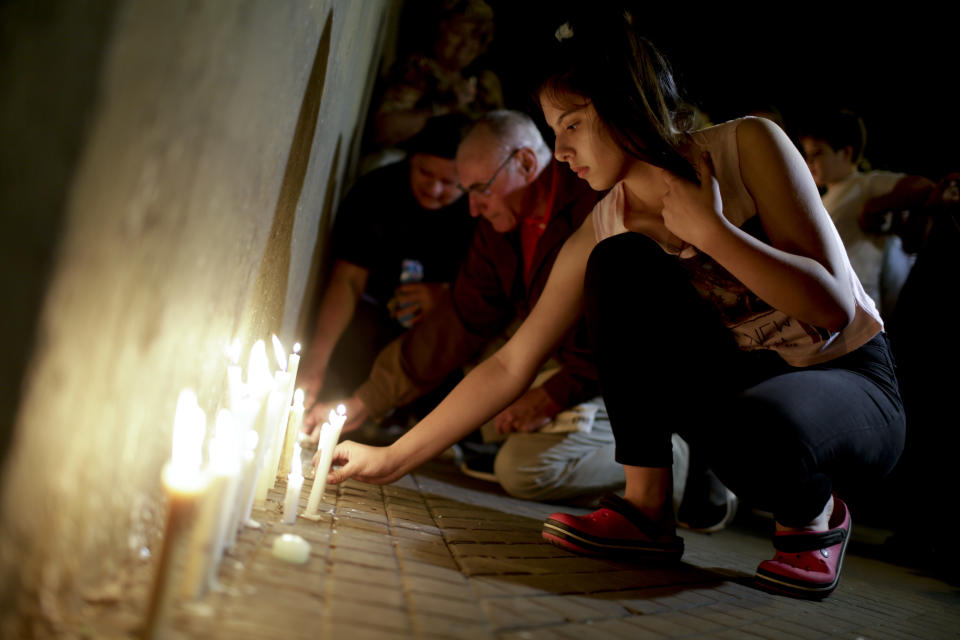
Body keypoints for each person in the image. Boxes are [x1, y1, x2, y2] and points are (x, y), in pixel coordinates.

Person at [321, 9, 904, 600]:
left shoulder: (748, 143)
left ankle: (816, 515)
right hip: (749, 389)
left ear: (624, 102)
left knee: (767, 429)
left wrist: (714, 232)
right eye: (552, 130)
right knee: (618, 263)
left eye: (571, 125)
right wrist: (393, 457)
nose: (562, 150)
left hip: (849, 378)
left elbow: (831, 308)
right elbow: (510, 363)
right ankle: (646, 511)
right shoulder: (609, 220)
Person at [308, 109, 637, 505]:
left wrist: (554, 393)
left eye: (481, 188)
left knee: (522, 469)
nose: (473, 208)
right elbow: (458, 322)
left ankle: (665, 461)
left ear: (526, 162)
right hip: (565, 363)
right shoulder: (498, 229)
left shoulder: (593, 204)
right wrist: (367, 399)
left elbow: (625, 332)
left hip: (624, 375)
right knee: (486, 415)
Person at [297, 114, 476, 416]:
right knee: (341, 375)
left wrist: (445, 294)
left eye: (449, 182)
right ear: (411, 159)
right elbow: (348, 280)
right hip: (372, 315)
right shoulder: (377, 193)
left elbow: (493, 291)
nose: (433, 189)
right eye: (424, 173)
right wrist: (317, 359)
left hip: (440, 327)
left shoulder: (479, 211)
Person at [797, 110, 934, 316]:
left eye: (817, 153)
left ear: (846, 153)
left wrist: (876, 205)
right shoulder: (821, 201)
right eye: (807, 155)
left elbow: (923, 186)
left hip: (861, 304)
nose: (809, 162)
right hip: (829, 303)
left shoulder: (864, 184)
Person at [372, 0, 504, 150]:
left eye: (474, 37)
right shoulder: (418, 70)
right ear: (440, 29)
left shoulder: (484, 84)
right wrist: (444, 106)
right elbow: (382, 131)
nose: (465, 44)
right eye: (457, 33)